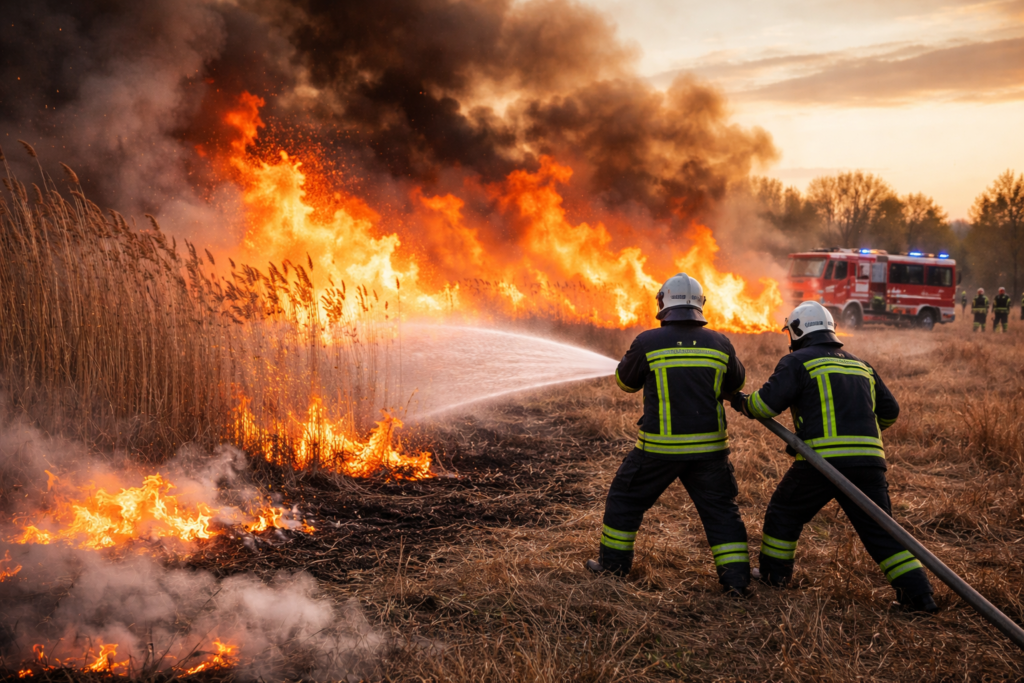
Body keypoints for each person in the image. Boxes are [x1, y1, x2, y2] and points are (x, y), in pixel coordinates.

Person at [731, 301, 938, 613]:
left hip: (821, 463)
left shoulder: (798, 361)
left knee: (784, 512)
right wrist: (862, 434)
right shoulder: (861, 365)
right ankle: (919, 597)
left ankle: (774, 576)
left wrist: (741, 402)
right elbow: (891, 412)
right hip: (869, 463)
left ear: (797, 332)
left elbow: (764, 405)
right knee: (882, 531)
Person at [587, 273, 751, 597]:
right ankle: (737, 582)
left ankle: (613, 568)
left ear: (663, 303)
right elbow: (736, 383)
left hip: (658, 451)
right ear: (700, 305)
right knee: (721, 512)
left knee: (625, 500)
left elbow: (626, 383)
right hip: (710, 452)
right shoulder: (720, 343)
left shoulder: (647, 342)